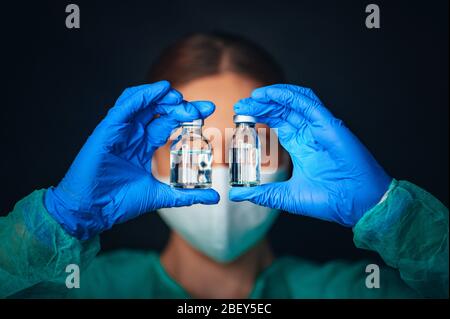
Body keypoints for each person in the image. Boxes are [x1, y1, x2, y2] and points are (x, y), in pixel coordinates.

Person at [0, 33, 448, 299]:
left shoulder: (353, 291)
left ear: (291, 158)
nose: (217, 169)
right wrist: (58, 224)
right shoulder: (82, 289)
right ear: (143, 158)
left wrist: (395, 217)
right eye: (188, 144)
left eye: (246, 145)